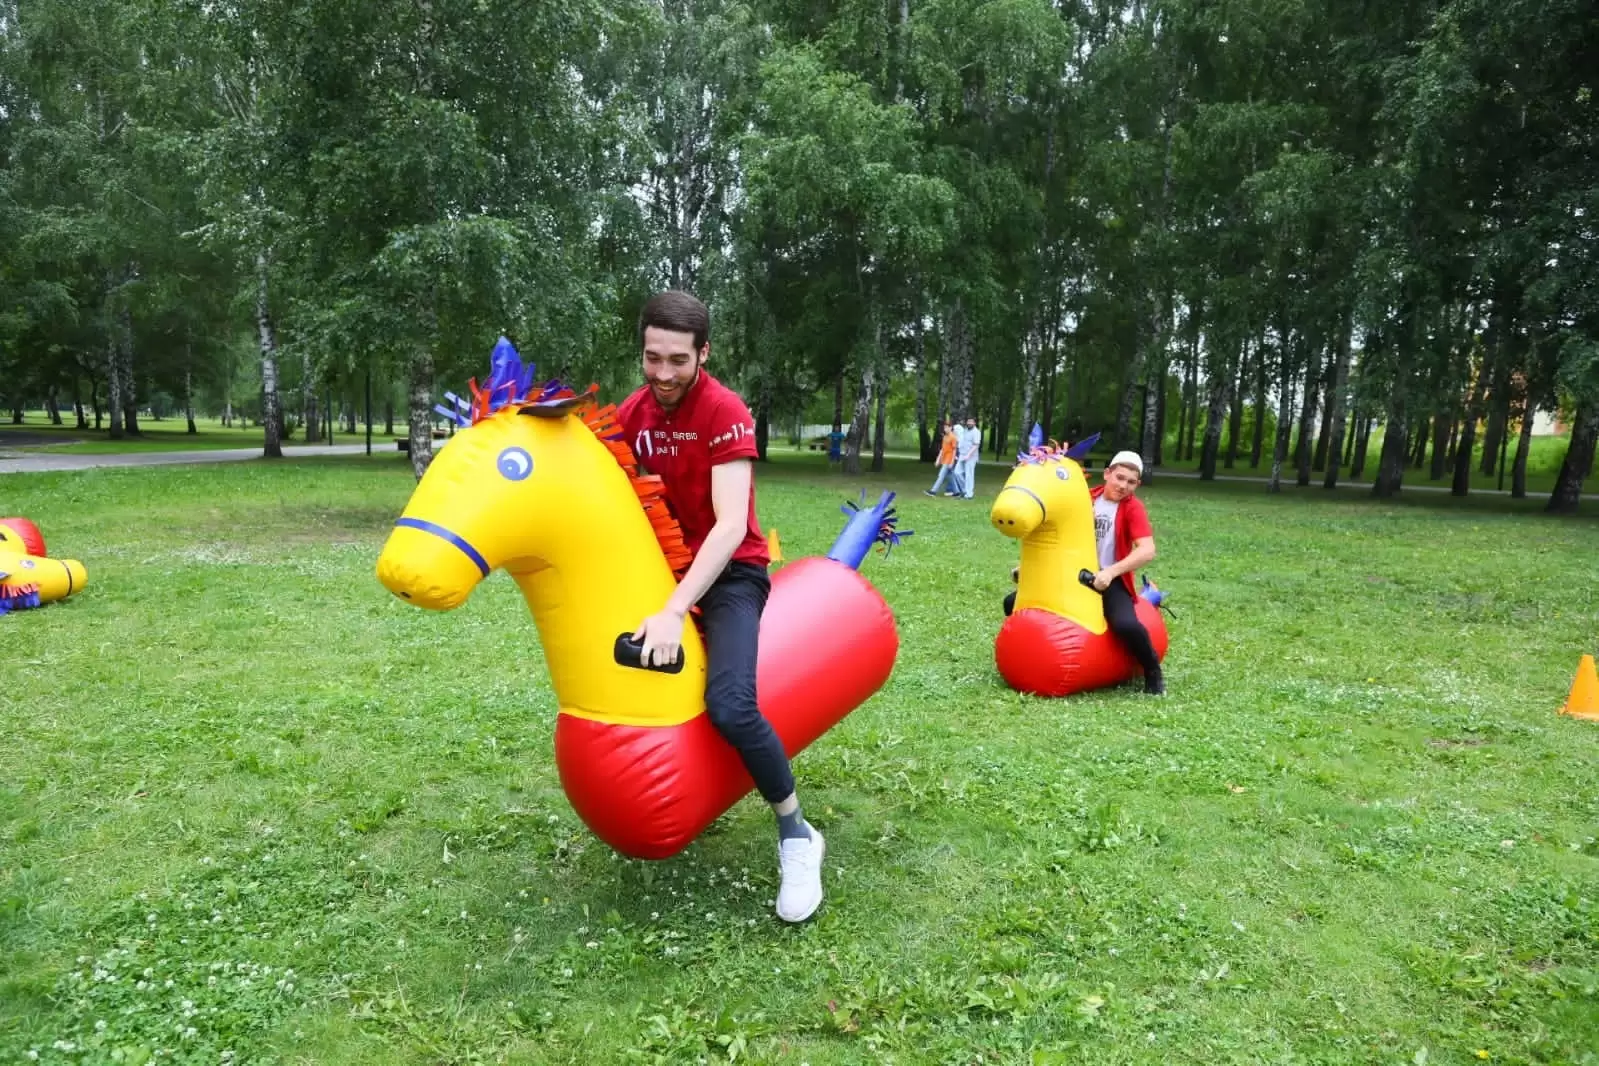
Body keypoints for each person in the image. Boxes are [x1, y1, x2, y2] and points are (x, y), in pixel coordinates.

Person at [616, 290, 827, 923]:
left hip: (732, 572)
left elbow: (731, 525)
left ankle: (796, 832)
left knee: (730, 706)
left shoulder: (724, 411)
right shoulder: (631, 413)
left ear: (703, 353)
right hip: (664, 566)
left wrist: (674, 609)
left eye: (678, 360)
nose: (663, 374)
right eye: (652, 358)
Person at [1002, 449, 1165, 695]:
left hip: (1108, 579)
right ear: (1107, 474)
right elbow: (1058, 539)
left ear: (1137, 485)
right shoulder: (1086, 498)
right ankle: (1024, 656)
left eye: (1131, 482)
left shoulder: (1133, 508)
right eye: (1119, 477)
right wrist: (1028, 569)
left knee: (1126, 624)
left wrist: (1110, 573)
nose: (1123, 486)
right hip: (1072, 575)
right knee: (1011, 603)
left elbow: (1147, 550)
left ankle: (1153, 671)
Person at [924, 419, 963, 497]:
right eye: (944, 427)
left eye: (947, 427)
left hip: (949, 460)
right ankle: (957, 492)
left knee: (941, 475)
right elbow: (942, 449)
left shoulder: (953, 437)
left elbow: (954, 450)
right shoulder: (945, 437)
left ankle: (933, 491)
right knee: (950, 476)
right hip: (944, 459)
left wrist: (952, 462)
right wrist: (938, 459)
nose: (945, 429)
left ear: (951, 428)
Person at [956, 416, 981, 498]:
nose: (969, 423)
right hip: (962, 455)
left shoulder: (976, 432)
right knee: (957, 473)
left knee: (969, 475)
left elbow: (976, 445)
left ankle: (969, 494)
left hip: (971, 457)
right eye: (968, 421)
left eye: (971, 421)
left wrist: (968, 455)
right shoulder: (965, 430)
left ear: (974, 423)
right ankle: (965, 490)